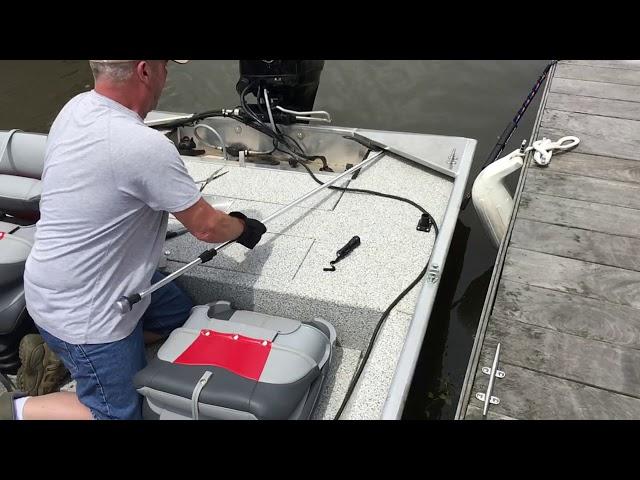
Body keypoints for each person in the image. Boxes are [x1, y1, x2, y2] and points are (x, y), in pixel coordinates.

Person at [0, 60, 266, 420]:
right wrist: (244, 228)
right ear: (144, 71)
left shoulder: (76, 107)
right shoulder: (142, 146)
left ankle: (71, 359)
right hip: (87, 315)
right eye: (164, 66)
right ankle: (18, 407)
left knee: (178, 315)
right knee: (117, 414)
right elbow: (207, 227)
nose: (167, 75)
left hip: (56, 287)